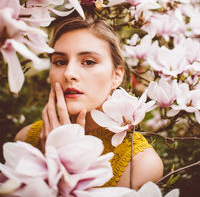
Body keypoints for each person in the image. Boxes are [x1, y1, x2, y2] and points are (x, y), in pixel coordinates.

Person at [15, 14, 163, 190]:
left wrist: (62, 162)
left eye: (89, 62)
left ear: (116, 76)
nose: (69, 73)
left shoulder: (139, 164)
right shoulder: (26, 139)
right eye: (60, 62)